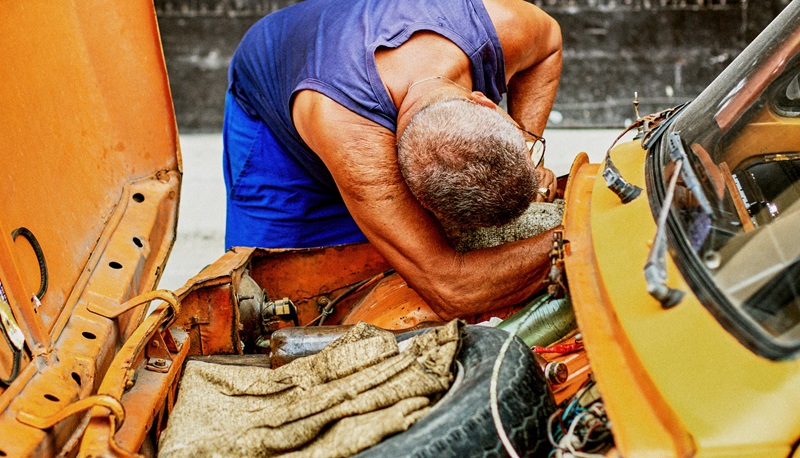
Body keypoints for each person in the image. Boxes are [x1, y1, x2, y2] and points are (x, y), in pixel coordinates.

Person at [223, 0, 562, 319]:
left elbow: (549, 45)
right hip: (275, 124)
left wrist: (527, 145)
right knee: (275, 296)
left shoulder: (499, 25)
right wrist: (572, 241)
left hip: (350, 51)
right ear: (399, 171)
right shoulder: (356, 140)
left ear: (485, 103)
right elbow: (450, 289)